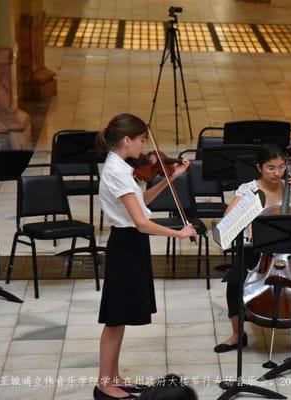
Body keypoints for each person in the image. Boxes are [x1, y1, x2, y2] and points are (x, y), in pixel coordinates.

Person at [94, 113, 197, 400]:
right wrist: (179, 232)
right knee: (115, 318)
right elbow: (141, 222)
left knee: (121, 315)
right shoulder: (117, 172)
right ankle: (105, 383)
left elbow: (142, 202)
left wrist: (170, 177)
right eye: (141, 139)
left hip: (130, 244)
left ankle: (113, 376)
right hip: (126, 244)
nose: (143, 146)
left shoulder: (123, 169)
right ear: (127, 140)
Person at [213, 143, 291, 353]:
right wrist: (248, 209)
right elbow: (228, 216)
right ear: (259, 167)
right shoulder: (249, 189)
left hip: (289, 251)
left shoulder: (290, 190)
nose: (277, 172)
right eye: (271, 168)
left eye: (282, 167)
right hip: (255, 249)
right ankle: (238, 335)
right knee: (235, 279)